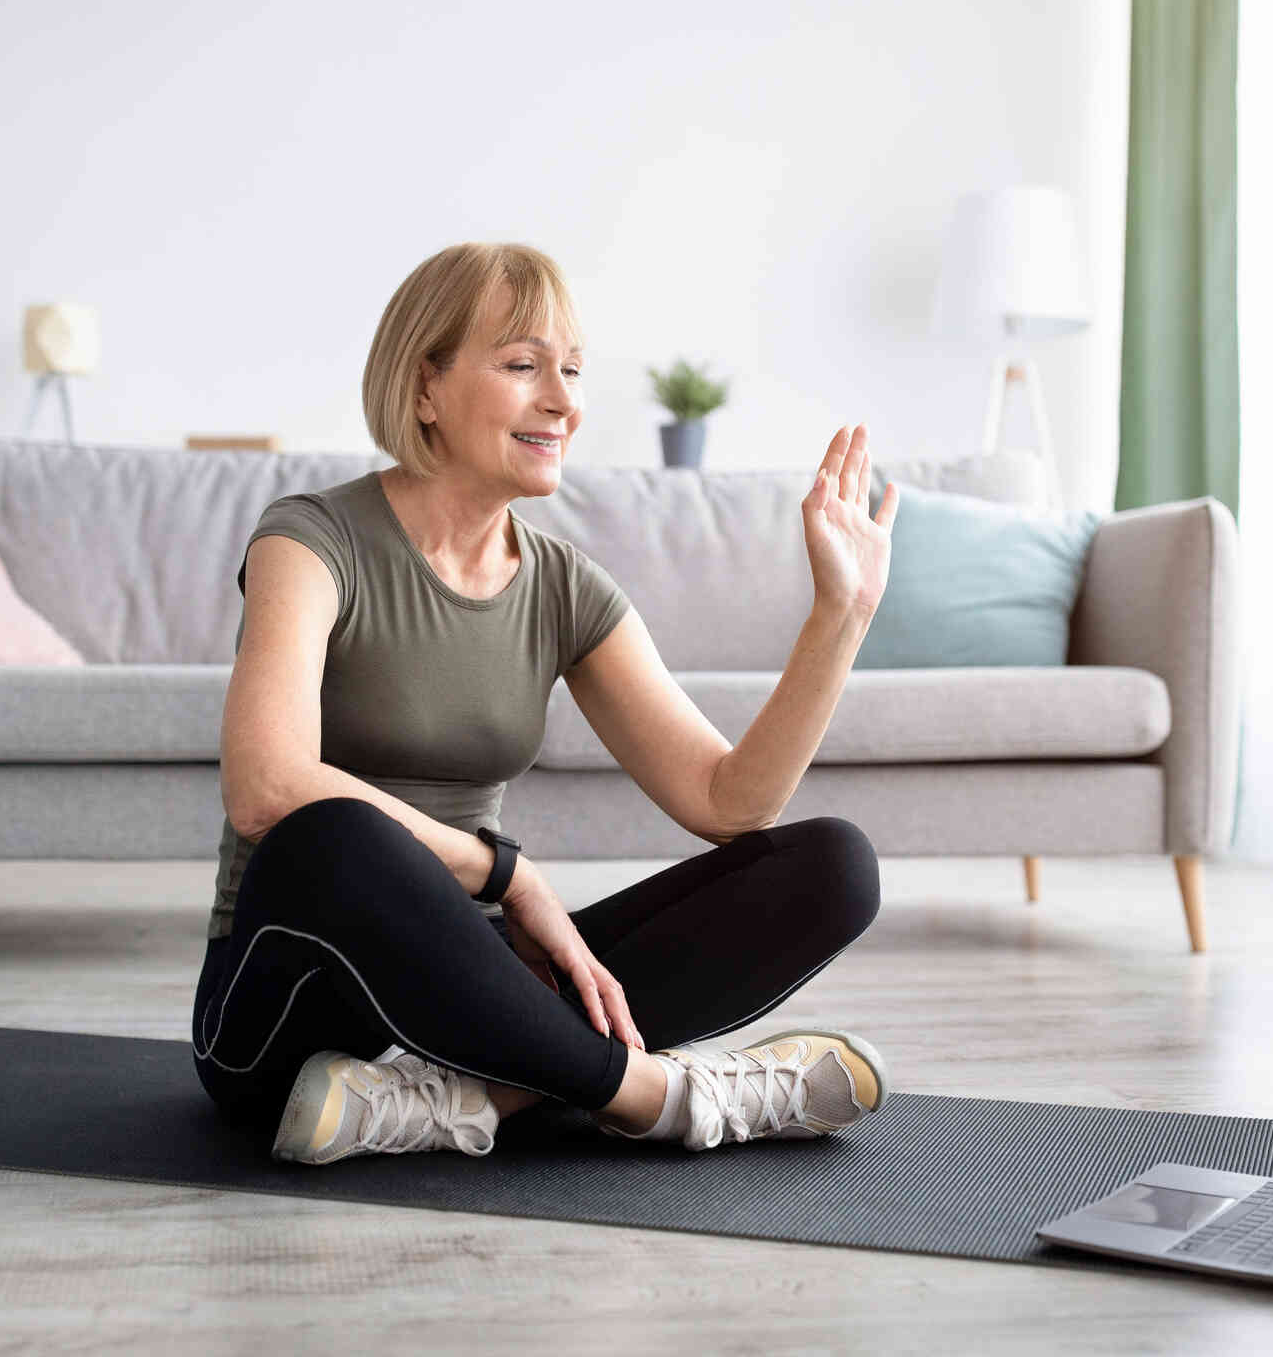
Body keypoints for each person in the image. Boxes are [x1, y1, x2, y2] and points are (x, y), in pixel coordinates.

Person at [192, 241, 902, 1164]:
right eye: (523, 365)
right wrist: (505, 875)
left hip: (479, 996)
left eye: (570, 370)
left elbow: (729, 802)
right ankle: (664, 1094)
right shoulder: (310, 540)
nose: (564, 402)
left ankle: (462, 1099)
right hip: (283, 1020)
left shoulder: (563, 585)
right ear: (424, 389)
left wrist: (839, 616)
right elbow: (265, 786)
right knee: (338, 829)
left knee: (831, 863)